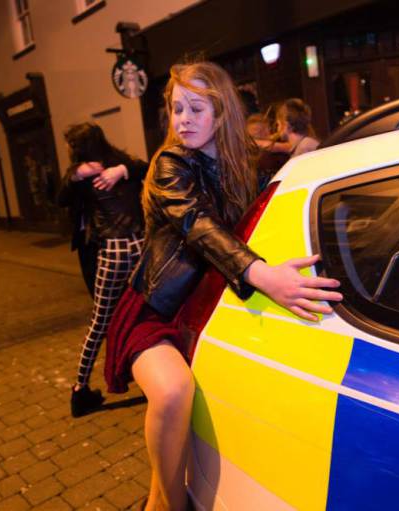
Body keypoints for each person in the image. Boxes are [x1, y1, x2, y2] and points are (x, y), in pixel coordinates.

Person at [104, 62, 342, 511]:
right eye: (177, 109)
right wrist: (264, 275)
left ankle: (161, 502)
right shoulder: (170, 164)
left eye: (196, 108)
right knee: (173, 392)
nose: (184, 120)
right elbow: (199, 226)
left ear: (222, 112)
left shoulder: (243, 164)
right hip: (154, 312)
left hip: (207, 310)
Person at [60, 123, 148, 418]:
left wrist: (76, 175)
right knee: (152, 311)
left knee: (100, 322)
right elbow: (146, 167)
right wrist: (122, 169)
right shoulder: (119, 162)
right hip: (141, 245)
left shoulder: (89, 173)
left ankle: (80, 389)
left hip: (114, 250)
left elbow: (59, 198)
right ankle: (159, 373)